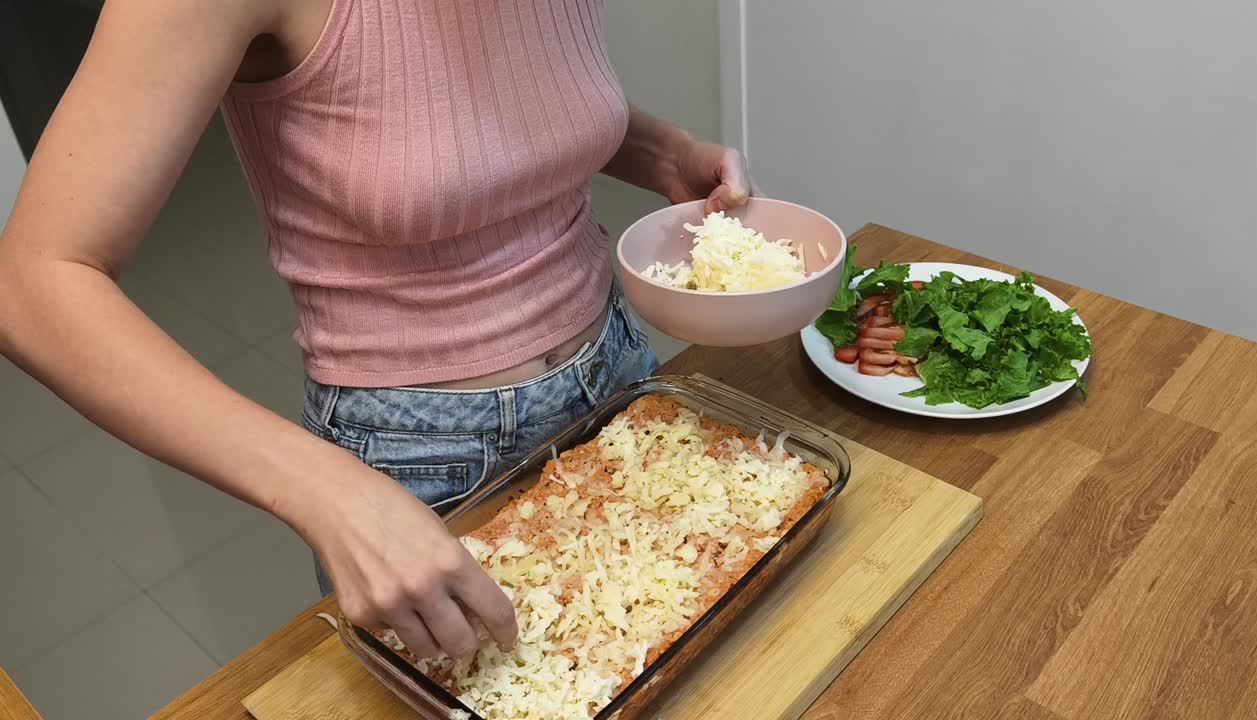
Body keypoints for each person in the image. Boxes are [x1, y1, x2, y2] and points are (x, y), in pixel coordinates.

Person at [0, 0, 758, 664]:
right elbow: (33, 283)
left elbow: (490, 101)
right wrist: (325, 491)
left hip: (619, 374)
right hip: (419, 460)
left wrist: (660, 151)